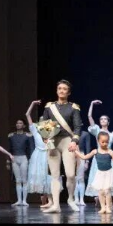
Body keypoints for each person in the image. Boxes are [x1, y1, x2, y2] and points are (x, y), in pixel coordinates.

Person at [40, 79, 83, 213]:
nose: (62, 91)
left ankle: (70, 199)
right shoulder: (49, 107)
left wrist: (74, 141)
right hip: (53, 141)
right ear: (57, 91)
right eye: (60, 88)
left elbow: (77, 126)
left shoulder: (73, 107)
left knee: (70, 174)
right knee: (54, 175)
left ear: (68, 92)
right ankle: (56, 205)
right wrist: (45, 138)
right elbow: (45, 124)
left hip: (67, 141)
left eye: (64, 89)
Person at [74, 132, 113, 214]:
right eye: (103, 142)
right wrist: (75, 151)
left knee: (107, 191)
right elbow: (84, 157)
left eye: (106, 142)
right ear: (98, 141)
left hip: (109, 173)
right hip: (100, 174)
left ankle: (108, 207)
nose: (105, 144)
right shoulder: (95, 151)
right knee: (100, 191)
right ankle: (103, 207)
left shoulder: (110, 152)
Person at [7, 118, 33, 206]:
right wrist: (8, 160)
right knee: (18, 180)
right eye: (17, 123)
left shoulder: (28, 136)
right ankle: (19, 200)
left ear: (24, 125)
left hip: (23, 158)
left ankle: (24, 201)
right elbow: (9, 149)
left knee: (24, 180)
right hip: (14, 158)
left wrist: (31, 160)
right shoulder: (11, 136)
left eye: (20, 123)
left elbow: (30, 148)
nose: (18, 124)